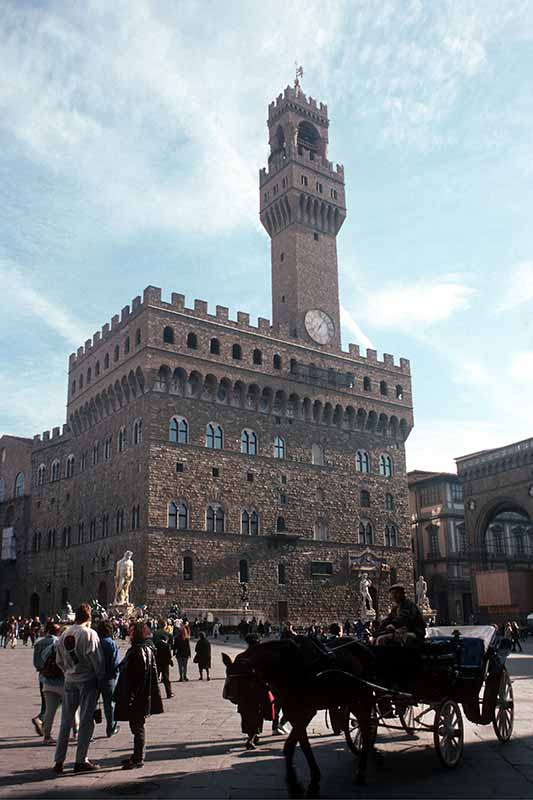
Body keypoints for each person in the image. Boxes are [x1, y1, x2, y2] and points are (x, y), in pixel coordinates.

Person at [53, 603, 104, 774]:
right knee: (85, 720)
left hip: (69, 680)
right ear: (89, 616)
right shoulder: (89, 634)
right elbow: (97, 659)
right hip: (87, 680)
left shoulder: (64, 633)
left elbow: (59, 661)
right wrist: (100, 677)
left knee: (66, 721)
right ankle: (81, 760)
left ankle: (59, 761)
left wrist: (68, 671)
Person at [114, 621, 164, 769]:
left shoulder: (138, 651)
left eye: (131, 631)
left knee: (138, 727)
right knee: (136, 727)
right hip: (140, 695)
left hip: (137, 696)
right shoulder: (144, 648)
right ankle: (136, 756)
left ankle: (138, 759)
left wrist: (131, 696)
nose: (128, 634)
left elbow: (137, 676)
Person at [40, 624, 80, 744]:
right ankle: (76, 732)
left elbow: (43, 658)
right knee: (72, 708)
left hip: (49, 682)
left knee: (49, 711)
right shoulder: (70, 646)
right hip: (65, 682)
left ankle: (47, 736)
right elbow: (74, 663)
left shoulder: (53, 645)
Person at [33, 621, 61, 737]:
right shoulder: (58, 642)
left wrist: (42, 669)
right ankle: (40, 719)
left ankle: (43, 723)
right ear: (58, 632)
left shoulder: (39, 643)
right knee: (58, 702)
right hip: (56, 678)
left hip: (42, 675)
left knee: (45, 703)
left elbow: (36, 663)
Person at [97, 620, 121, 737]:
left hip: (95, 677)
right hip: (109, 678)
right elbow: (115, 662)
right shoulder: (111, 643)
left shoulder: (95, 642)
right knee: (109, 704)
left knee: (91, 703)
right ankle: (111, 727)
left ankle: (87, 730)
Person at [154, 631, 174, 698]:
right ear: (165, 639)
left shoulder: (156, 645)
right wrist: (171, 662)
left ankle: (155, 694)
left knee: (156, 678)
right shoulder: (167, 645)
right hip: (165, 664)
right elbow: (169, 655)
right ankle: (169, 693)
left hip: (158, 663)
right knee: (166, 679)